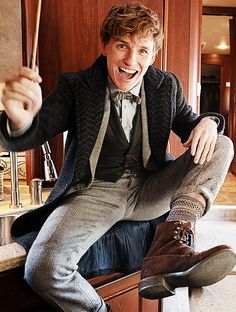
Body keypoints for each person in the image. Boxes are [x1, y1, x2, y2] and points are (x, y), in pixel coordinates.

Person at [0, 2, 235, 311]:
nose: (130, 60)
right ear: (105, 47)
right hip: (95, 192)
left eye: (142, 51)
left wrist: (208, 121)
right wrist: (18, 121)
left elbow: (193, 127)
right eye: (122, 46)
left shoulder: (166, 86)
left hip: (151, 187)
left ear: (153, 55)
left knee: (221, 143)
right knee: (42, 270)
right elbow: (36, 130)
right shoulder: (77, 86)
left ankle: (170, 245)